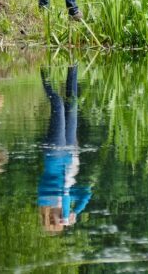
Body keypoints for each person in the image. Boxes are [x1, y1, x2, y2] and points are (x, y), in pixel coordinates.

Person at [38, 65, 92, 234]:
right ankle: (73, 66)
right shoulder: (66, 203)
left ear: (48, 216)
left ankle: (44, 74)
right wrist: (76, 212)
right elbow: (87, 192)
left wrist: (68, 212)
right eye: (62, 219)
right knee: (73, 103)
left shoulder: (45, 200)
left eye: (56, 218)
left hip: (55, 153)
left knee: (59, 105)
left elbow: (65, 191)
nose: (60, 215)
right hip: (70, 151)